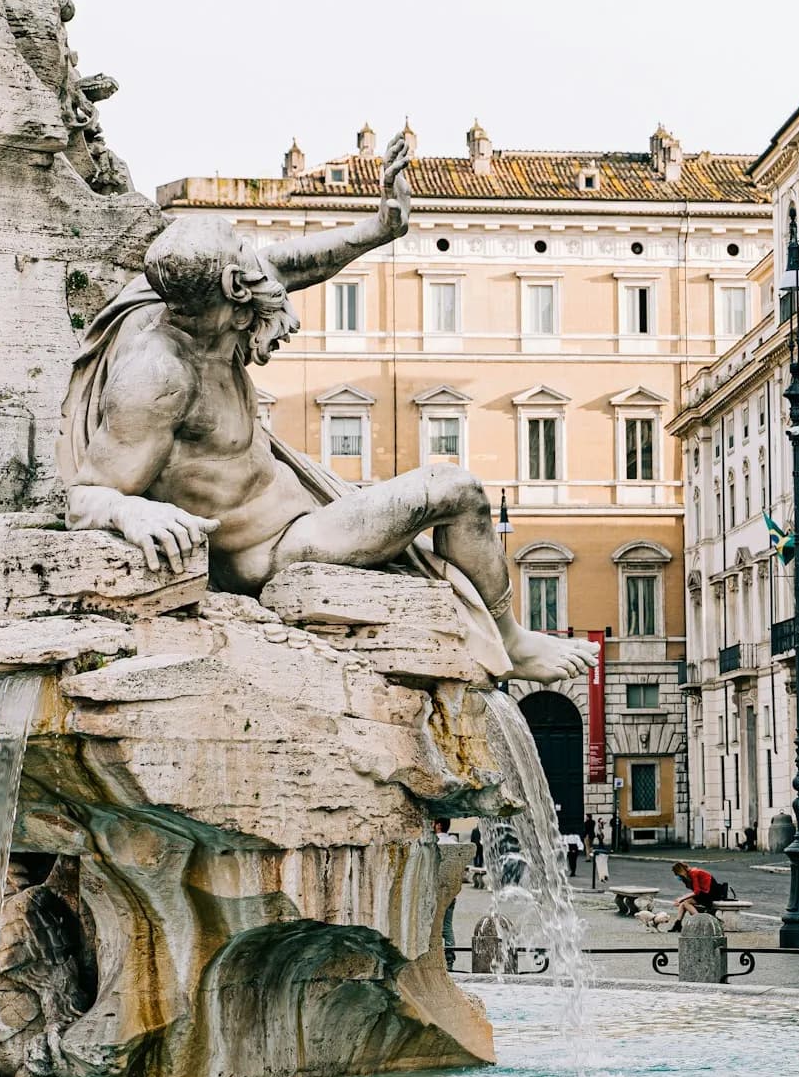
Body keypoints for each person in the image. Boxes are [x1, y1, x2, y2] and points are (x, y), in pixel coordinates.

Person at [56, 136, 597, 685]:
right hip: (278, 548)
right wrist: (131, 511)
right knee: (455, 489)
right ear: (230, 288)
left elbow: (288, 264)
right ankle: (511, 640)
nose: (259, 263)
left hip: (304, 505)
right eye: (245, 253)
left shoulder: (197, 305)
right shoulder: (158, 375)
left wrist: (378, 228)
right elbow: (86, 493)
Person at [664, 861, 731, 932]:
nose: (677, 876)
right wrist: (681, 899)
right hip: (705, 894)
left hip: (711, 895)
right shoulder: (689, 874)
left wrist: (682, 898)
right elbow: (696, 892)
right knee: (683, 903)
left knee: (686, 902)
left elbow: (696, 891)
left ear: (680, 872)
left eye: (676, 874)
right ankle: (677, 924)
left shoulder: (693, 873)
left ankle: (700, 922)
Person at [434, 817, 461, 953]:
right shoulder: (454, 843)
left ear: (438, 825)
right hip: (450, 891)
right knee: (447, 926)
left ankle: (433, 955)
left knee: (432, 926)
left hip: (434, 891)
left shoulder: (433, 842)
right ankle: (450, 957)